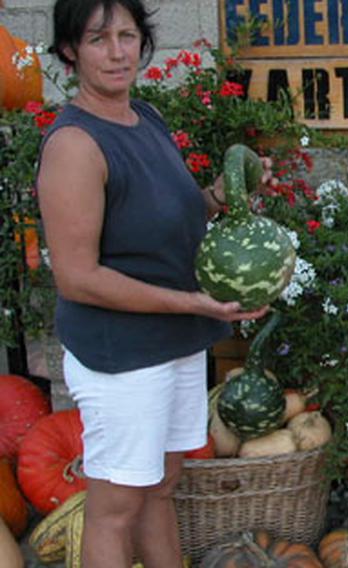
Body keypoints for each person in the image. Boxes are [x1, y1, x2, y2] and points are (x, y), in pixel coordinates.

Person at [37, 0, 272, 565]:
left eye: (127, 36)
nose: (118, 52)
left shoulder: (144, 118)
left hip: (175, 341)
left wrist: (218, 197)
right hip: (123, 353)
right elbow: (78, 278)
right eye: (99, 39)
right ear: (70, 50)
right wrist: (193, 301)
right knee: (114, 507)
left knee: (161, 485)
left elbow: (165, 217)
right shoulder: (74, 146)